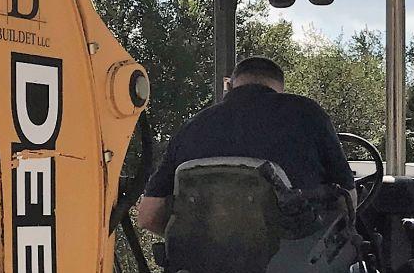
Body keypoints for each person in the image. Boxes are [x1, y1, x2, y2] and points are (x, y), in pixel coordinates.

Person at [136, 55, 355, 233]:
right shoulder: (306, 113)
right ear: (280, 89)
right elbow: (348, 201)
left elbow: (148, 216)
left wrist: (192, 242)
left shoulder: (192, 127)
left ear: (230, 86)